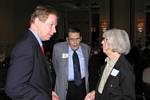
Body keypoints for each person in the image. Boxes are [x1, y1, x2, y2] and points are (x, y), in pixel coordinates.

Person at [5, 5, 59, 100]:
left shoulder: (34, 43)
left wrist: (48, 92)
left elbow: (34, 79)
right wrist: (44, 97)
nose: (54, 30)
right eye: (51, 25)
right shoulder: (26, 46)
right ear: (37, 21)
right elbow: (14, 88)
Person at [85, 29, 135, 100]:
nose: (102, 42)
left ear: (114, 43)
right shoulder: (107, 63)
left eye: (105, 40)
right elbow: (105, 87)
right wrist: (96, 93)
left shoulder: (125, 69)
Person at [52, 27, 90, 100]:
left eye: (77, 39)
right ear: (67, 39)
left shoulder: (86, 48)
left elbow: (87, 67)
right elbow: (55, 66)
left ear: (81, 38)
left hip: (82, 86)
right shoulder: (58, 48)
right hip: (65, 86)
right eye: (72, 39)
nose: (75, 42)